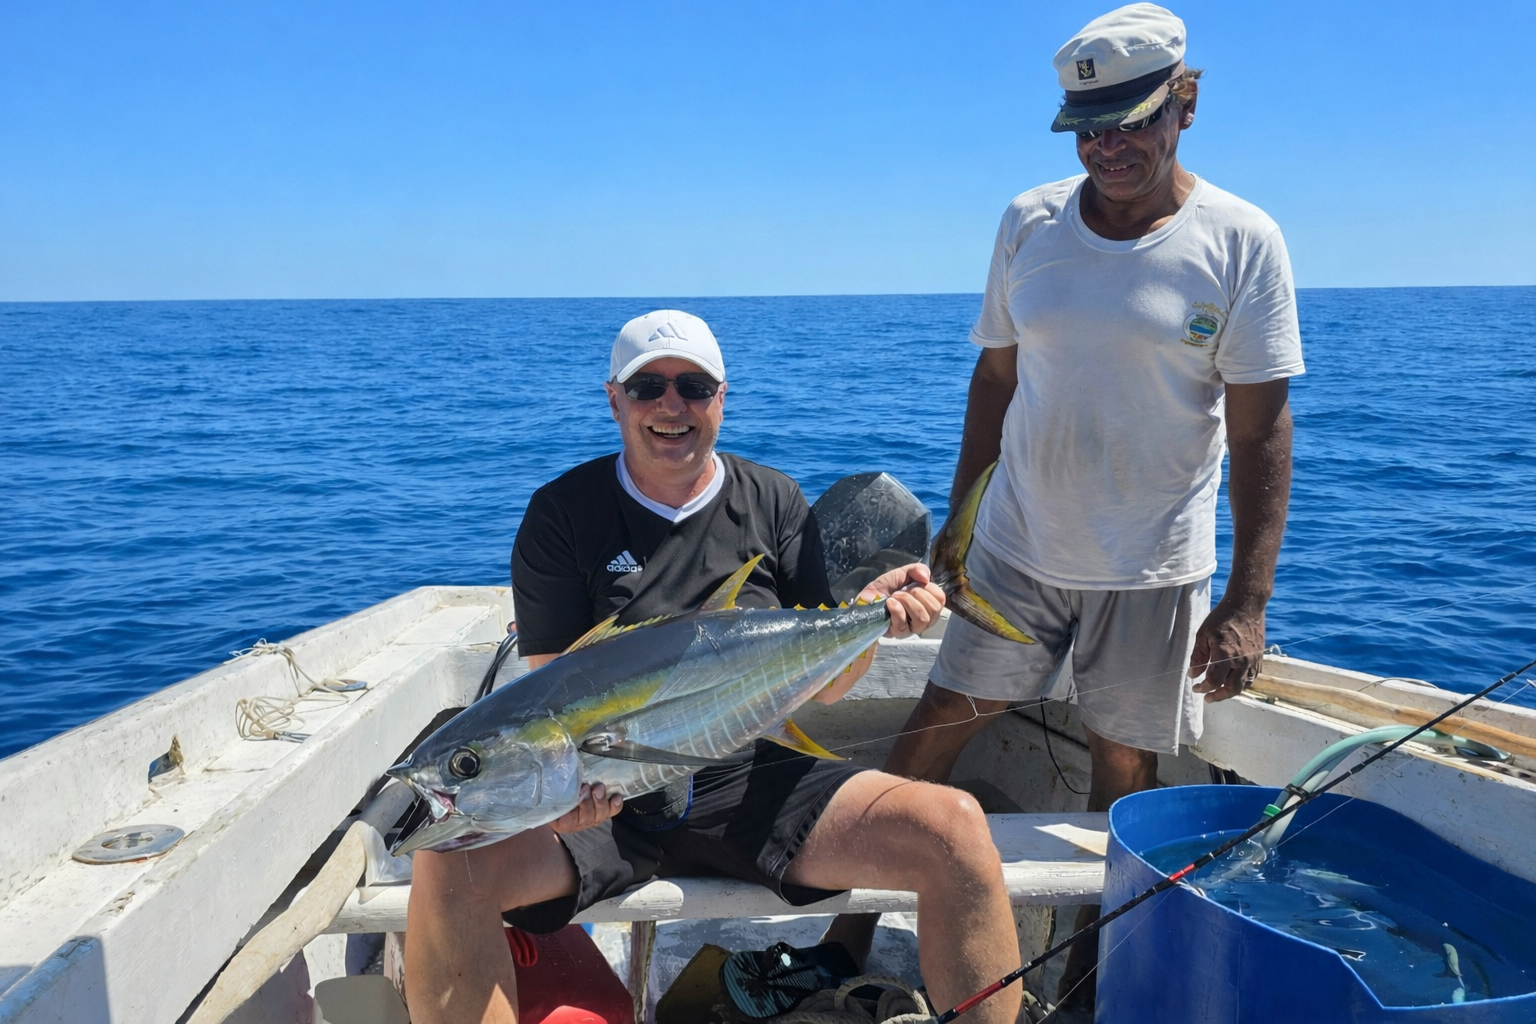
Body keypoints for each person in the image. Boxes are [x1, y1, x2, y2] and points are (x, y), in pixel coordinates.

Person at [833, 3, 1305, 1014]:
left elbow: (1264, 428)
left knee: (1123, 777)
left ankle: (1088, 979)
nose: (1111, 148)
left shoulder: (1244, 241)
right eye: (1091, 128)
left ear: (1185, 100)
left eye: (1134, 121)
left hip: (1154, 566)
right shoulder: (1027, 222)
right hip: (1014, 553)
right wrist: (953, 531)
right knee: (929, 737)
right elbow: (994, 384)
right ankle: (843, 933)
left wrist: (1248, 597)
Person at [403, 309, 1022, 1024]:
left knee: (953, 828)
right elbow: (551, 694)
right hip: (604, 805)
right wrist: (559, 803)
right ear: (615, 400)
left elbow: (830, 682)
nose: (672, 405)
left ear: (721, 398)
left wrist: (874, 619)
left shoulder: (774, 500)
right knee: (448, 862)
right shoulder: (562, 513)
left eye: (693, 386)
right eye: (648, 388)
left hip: (749, 776)